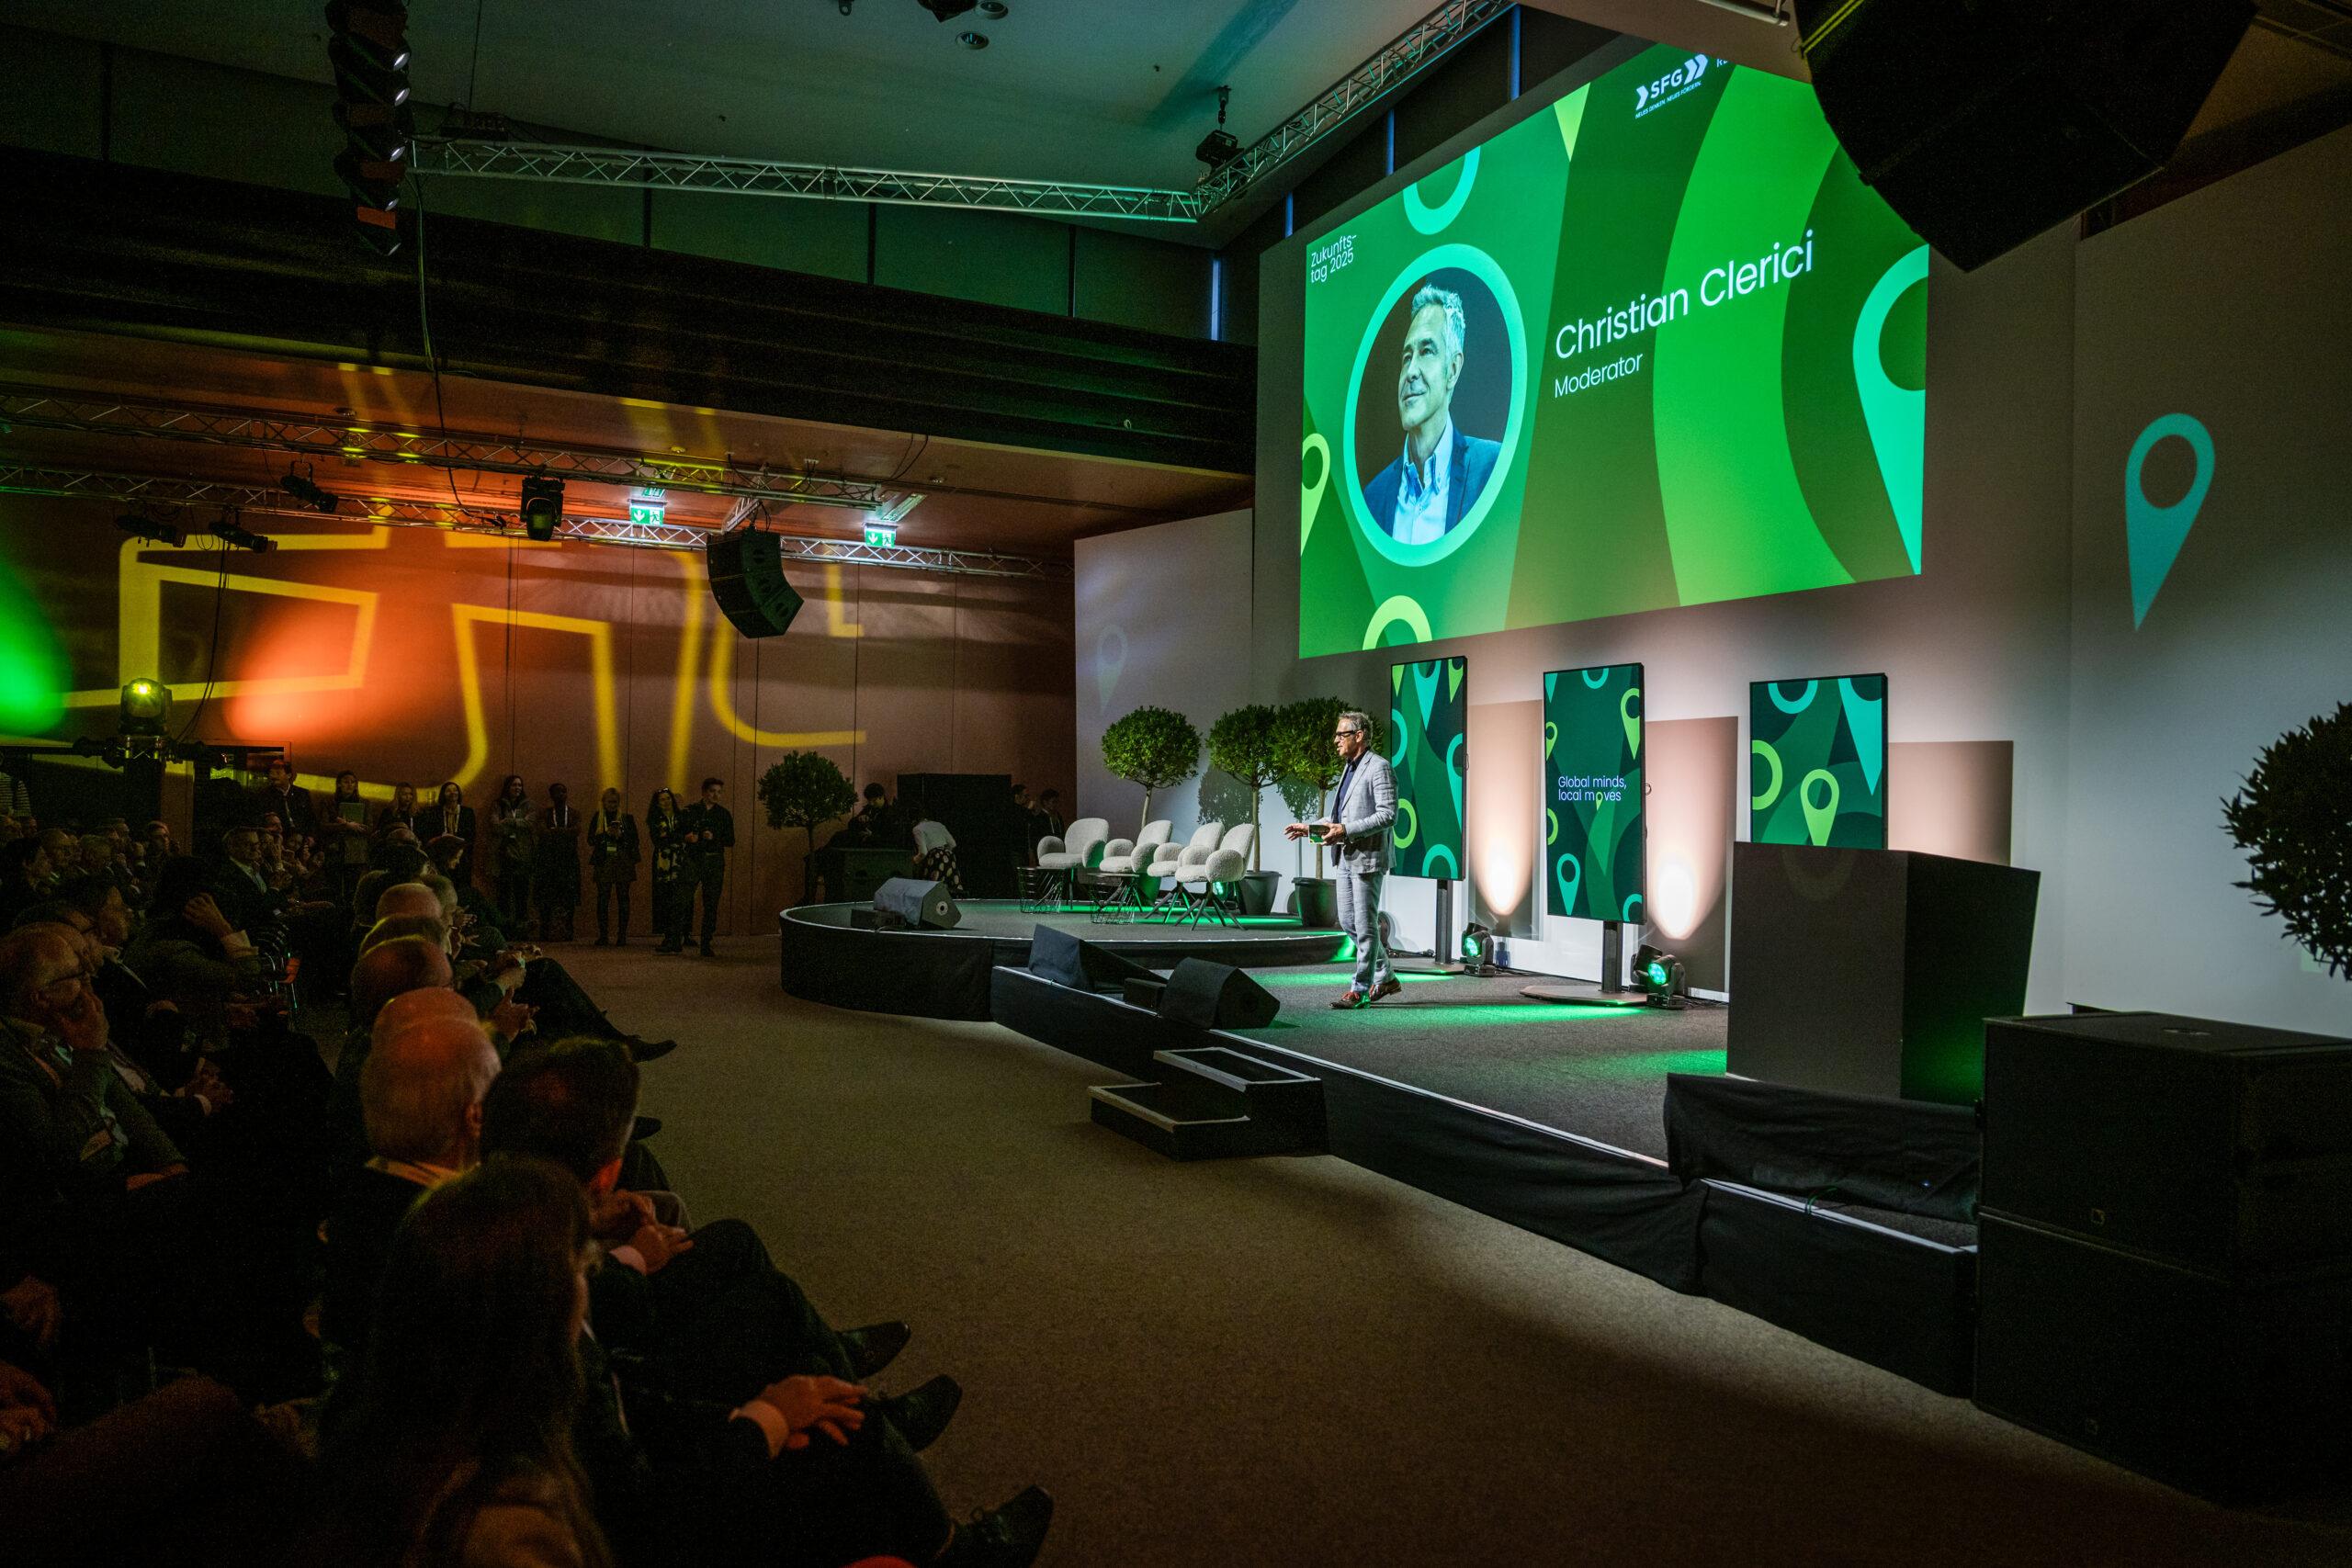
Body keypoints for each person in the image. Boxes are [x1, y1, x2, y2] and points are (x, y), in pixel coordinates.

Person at [303, 1155, 619, 1568]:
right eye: (582, 1267)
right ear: (535, 1310)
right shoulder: (511, 1532)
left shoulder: (370, 1443)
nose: (586, 1288)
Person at [1362, 283, 1502, 545]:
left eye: (1426, 351)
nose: (1411, 371)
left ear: (1453, 370)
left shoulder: (1492, 469)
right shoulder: (1374, 497)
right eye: (1407, 357)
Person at [1283, 708, 1399, 1009]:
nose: (1335, 740)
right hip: (1346, 856)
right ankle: (1386, 975)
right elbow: (1340, 817)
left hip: (1368, 857)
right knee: (1349, 922)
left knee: (1365, 925)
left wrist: (1346, 830)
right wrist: (1310, 827)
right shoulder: (1349, 769)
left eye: (1341, 734)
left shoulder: (1379, 767)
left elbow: (1388, 815)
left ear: (1359, 736)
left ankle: (1359, 989)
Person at [677, 778, 733, 959]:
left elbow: (730, 840)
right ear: (704, 792)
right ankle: (677, 938)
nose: (716, 795)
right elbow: (678, 832)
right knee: (683, 899)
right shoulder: (691, 811)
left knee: (711, 903)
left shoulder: (724, 814)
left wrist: (714, 837)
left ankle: (706, 942)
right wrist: (687, 838)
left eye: (719, 792)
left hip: (714, 861)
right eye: (712, 791)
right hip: (694, 859)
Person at [586, 789, 639, 948]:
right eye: (609, 802)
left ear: (619, 803)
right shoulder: (597, 818)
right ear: (603, 802)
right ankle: (603, 935)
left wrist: (620, 836)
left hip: (623, 860)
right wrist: (606, 835)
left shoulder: (627, 819)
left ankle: (622, 935)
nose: (612, 805)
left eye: (615, 802)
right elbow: (590, 840)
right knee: (603, 898)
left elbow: (635, 841)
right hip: (604, 861)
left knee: (623, 898)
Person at [534, 784, 583, 943]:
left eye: (563, 791)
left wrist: (556, 832)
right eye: (557, 792)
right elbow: (542, 832)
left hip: (569, 861)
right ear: (551, 796)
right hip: (548, 861)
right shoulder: (545, 813)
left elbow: (576, 830)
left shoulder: (574, 813)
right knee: (546, 898)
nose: (561, 795)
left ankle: (568, 930)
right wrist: (564, 833)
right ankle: (544, 930)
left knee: (569, 898)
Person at [490, 775, 536, 936]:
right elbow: (495, 826)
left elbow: (530, 823)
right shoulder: (498, 804)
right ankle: (505, 931)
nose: (517, 788)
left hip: (522, 857)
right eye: (514, 785)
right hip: (503, 856)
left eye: (520, 785)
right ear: (507, 787)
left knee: (521, 897)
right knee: (503, 897)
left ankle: (521, 931)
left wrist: (508, 821)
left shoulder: (528, 804)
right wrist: (519, 823)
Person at [646, 790, 687, 956]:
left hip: (679, 862)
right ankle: (669, 937)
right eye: (662, 800)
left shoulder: (681, 817)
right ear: (657, 803)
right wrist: (676, 837)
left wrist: (671, 837)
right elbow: (658, 840)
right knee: (665, 901)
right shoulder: (654, 820)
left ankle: (676, 938)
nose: (666, 802)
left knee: (678, 901)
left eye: (668, 798)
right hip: (662, 864)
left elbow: (683, 836)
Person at [429, 781, 477, 883]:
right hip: (441, 858)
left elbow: (471, 836)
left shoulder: (467, 812)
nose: (452, 793)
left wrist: (458, 853)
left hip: (462, 858)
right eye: (448, 791)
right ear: (443, 794)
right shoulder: (435, 812)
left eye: (455, 790)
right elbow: (431, 834)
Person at [910, 820, 966, 897]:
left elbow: (923, 852)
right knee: (952, 884)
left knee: (933, 886)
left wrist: (915, 860)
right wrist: (945, 853)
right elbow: (953, 844)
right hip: (949, 855)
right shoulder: (939, 825)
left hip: (936, 857)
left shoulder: (917, 829)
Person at [372, 780, 423, 844]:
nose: (408, 797)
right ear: (398, 796)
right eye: (404, 794)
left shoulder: (417, 814)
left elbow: (421, 834)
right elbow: (380, 831)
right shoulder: (389, 812)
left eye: (411, 794)